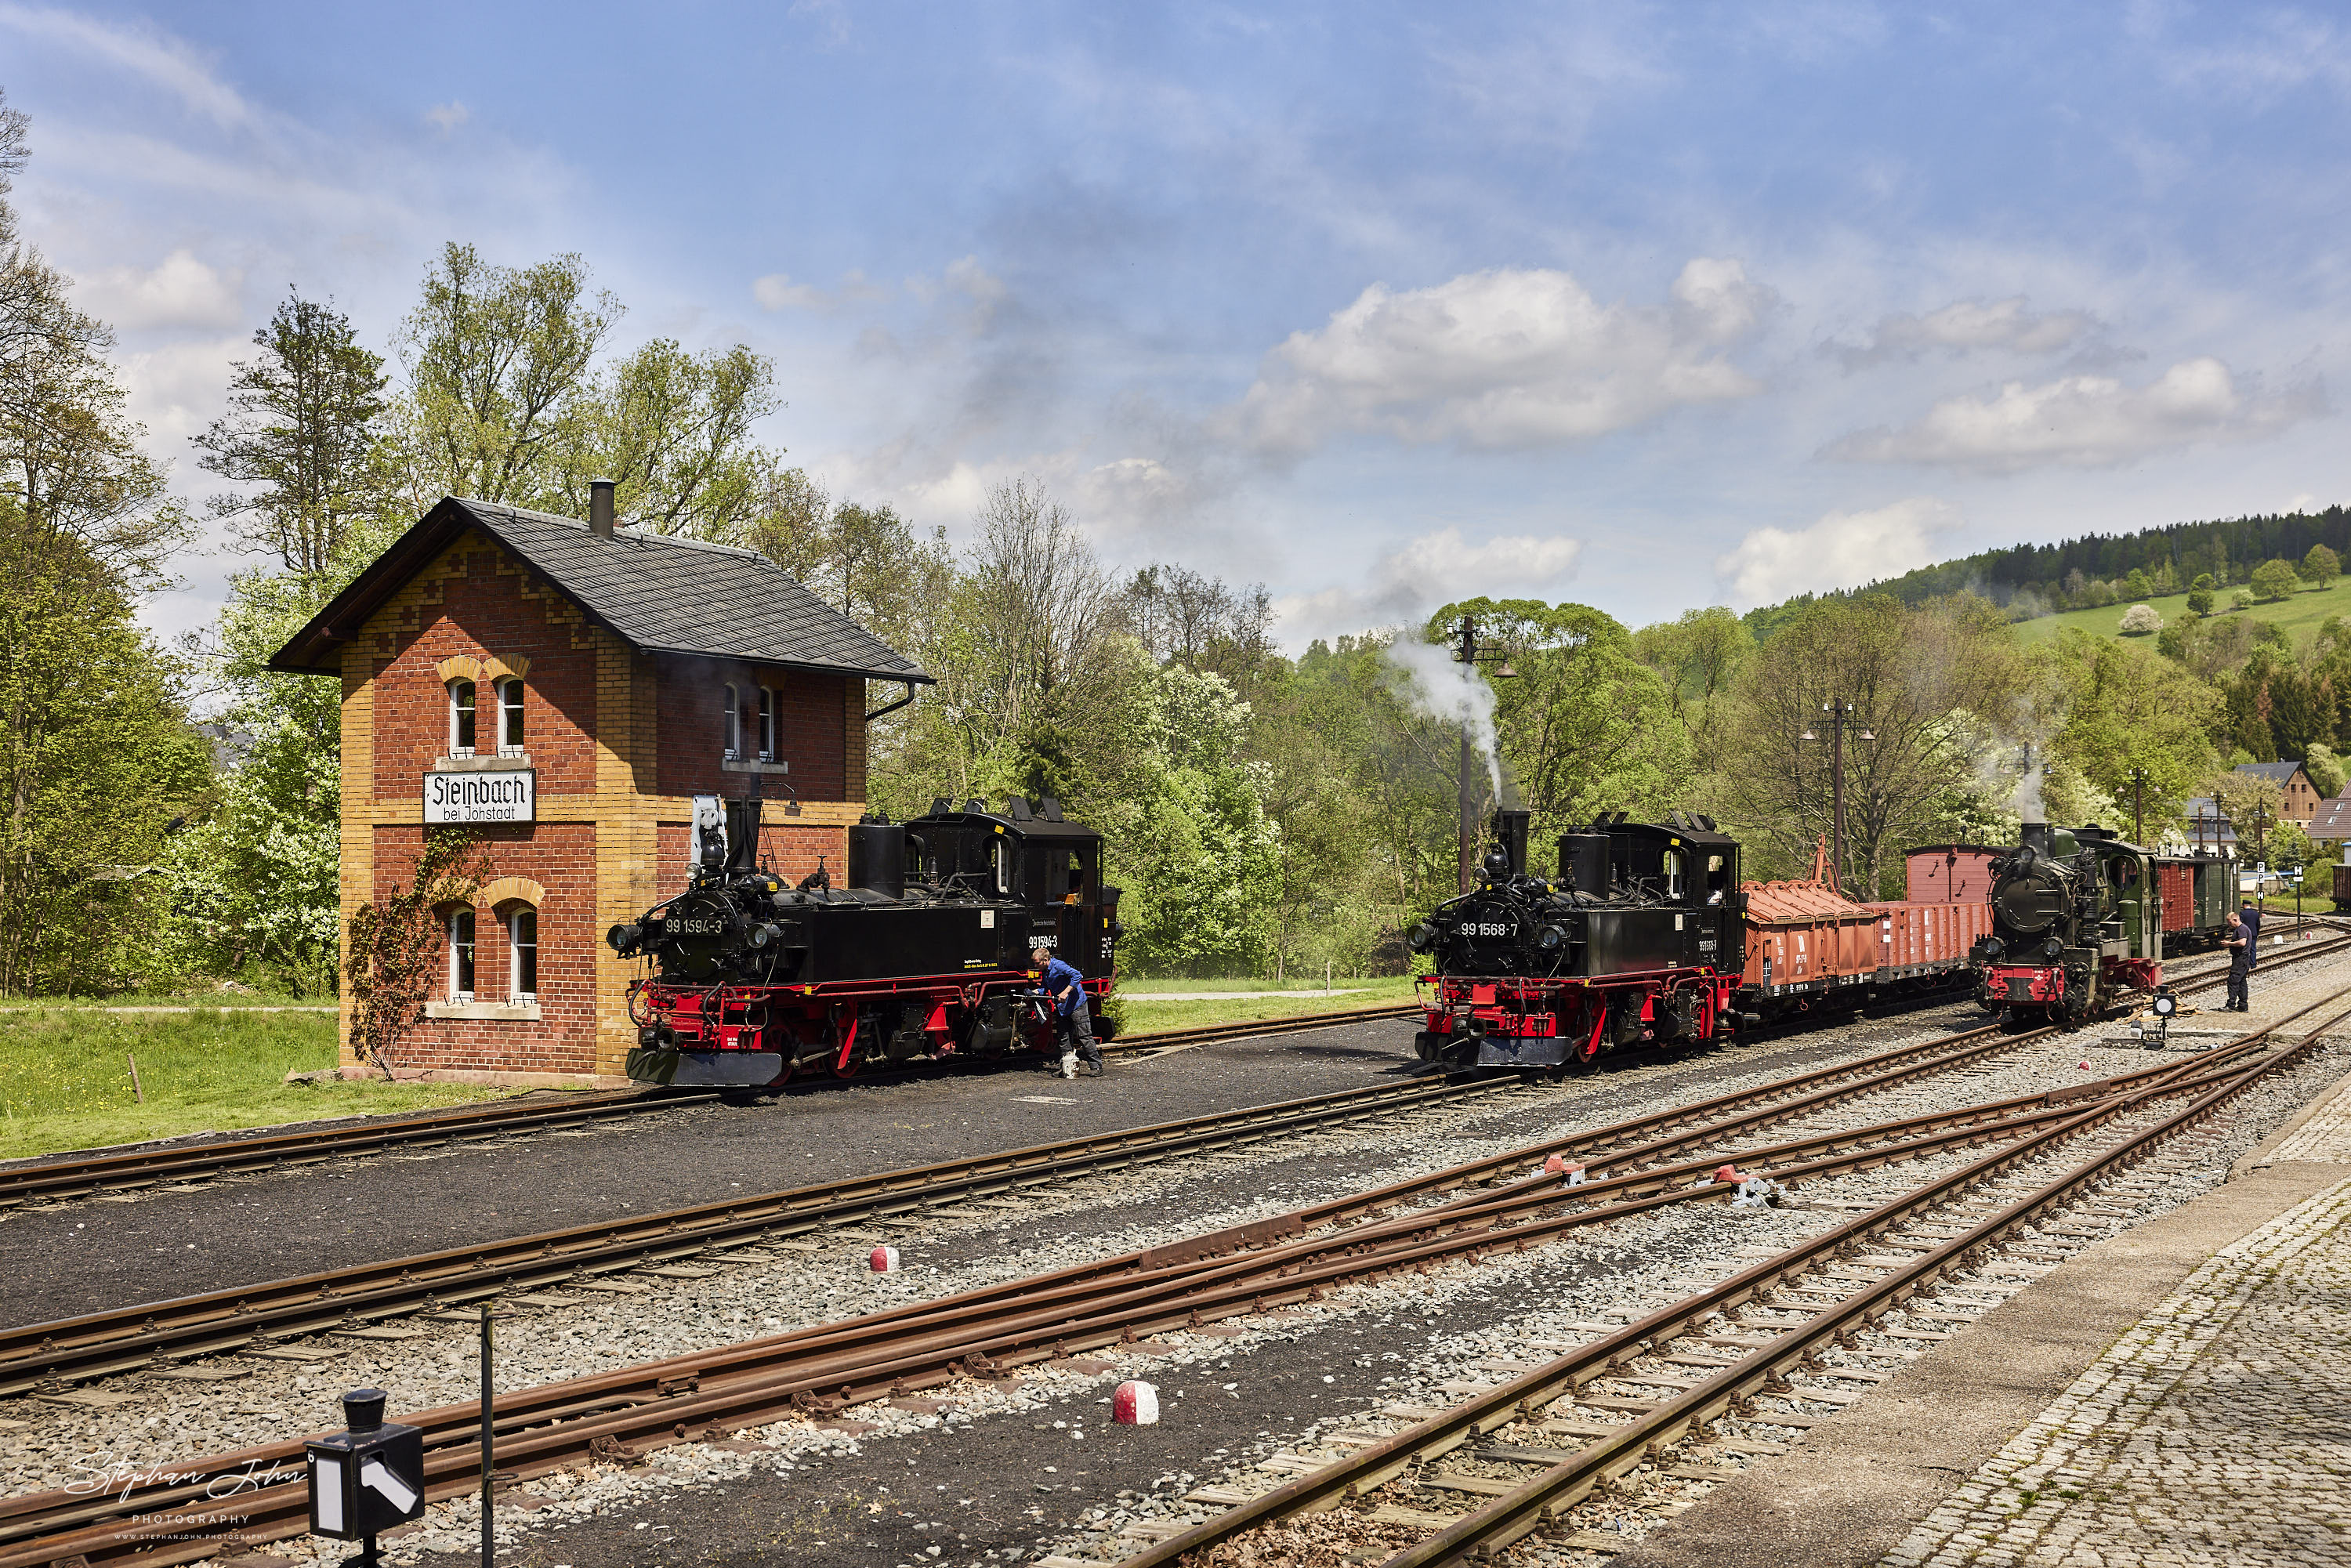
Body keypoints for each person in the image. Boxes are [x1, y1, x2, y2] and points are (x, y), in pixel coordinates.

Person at [1032, 943, 1103, 1078]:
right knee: (1064, 1037)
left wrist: (1065, 992)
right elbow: (1045, 987)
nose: (1036, 966)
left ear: (1046, 960)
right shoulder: (1045, 971)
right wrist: (1033, 992)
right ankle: (1065, 1066)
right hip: (1062, 1007)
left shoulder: (1059, 966)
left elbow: (1077, 976)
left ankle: (1096, 1066)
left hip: (1076, 1005)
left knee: (1084, 1036)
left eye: (1037, 963)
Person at [2224, 906, 2253, 1012]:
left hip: (2240, 959)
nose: (2229, 924)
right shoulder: (2243, 928)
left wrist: (2229, 943)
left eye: (2230, 922)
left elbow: (2242, 942)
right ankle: (2243, 1005)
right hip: (2244, 959)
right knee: (2241, 982)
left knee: (2233, 981)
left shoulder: (2241, 929)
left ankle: (2231, 1004)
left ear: (2236, 920)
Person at [2240, 897, 2263, 970]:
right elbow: (2258, 924)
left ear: (2244, 905)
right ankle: (2253, 964)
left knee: (2244, 950)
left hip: (2245, 935)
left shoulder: (2242, 913)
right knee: (2253, 949)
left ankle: (2245, 964)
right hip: (2253, 933)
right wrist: (2257, 933)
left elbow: (2240, 924)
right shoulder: (2255, 913)